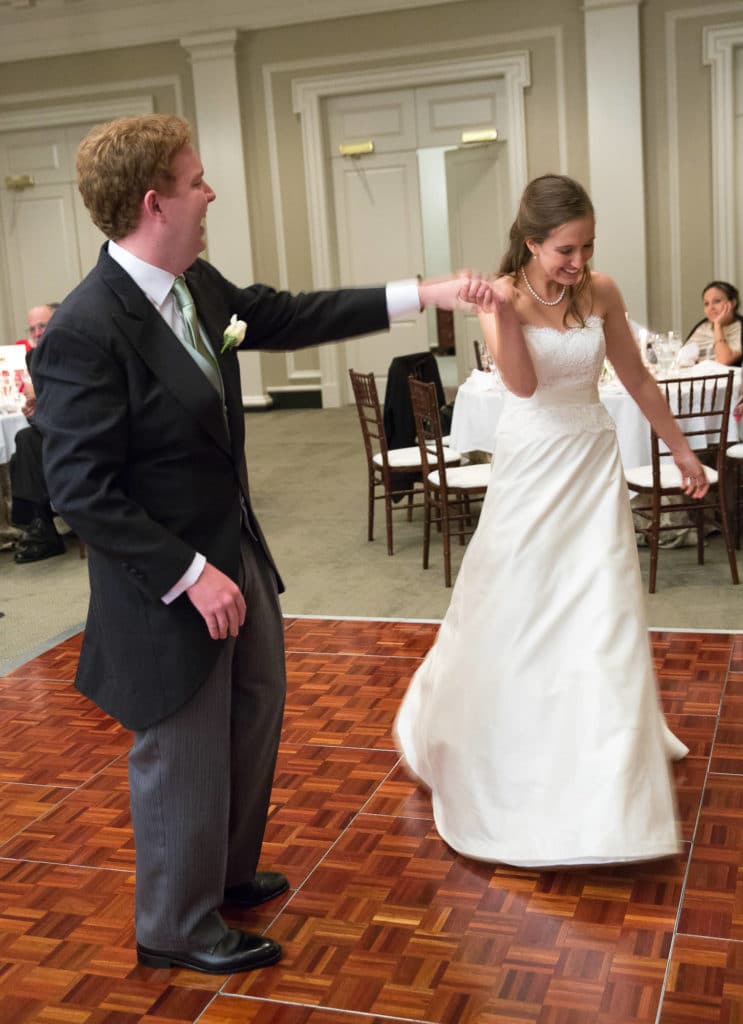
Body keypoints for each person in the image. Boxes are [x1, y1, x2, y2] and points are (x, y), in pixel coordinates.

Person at [31, 113, 486, 975]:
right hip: (168, 579)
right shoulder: (90, 327)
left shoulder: (196, 283)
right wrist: (187, 574)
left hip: (233, 549)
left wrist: (422, 293)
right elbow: (80, 489)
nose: (211, 193)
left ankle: (226, 875)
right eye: (196, 180)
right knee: (183, 749)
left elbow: (286, 313)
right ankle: (174, 924)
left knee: (253, 712)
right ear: (153, 202)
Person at [394, 173, 710, 868]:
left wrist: (681, 449)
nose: (577, 262)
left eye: (586, 246)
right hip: (533, 464)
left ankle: (603, 766)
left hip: (591, 457)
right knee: (522, 602)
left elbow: (635, 377)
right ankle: (509, 744)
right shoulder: (501, 298)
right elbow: (522, 386)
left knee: (598, 604)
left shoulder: (602, 291)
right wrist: (503, 317)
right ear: (532, 242)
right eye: (565, 249)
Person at [9, 302, 65, 563]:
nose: (38, 332)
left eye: (43, 325)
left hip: (82, 426)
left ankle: (39, 527)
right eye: (33, 328)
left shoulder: (76, 349)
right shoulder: (33, 358)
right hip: (53, 424)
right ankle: (40, 525)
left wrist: (40, 399)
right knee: (25, 443)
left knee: (26, 446)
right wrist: (35, 410)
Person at [682, 280, 742, 364]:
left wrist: (718, 325)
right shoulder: (703, 326)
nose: (711, 308)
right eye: (706, 304)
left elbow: (724, 360)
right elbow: (681, 358)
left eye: (717, 301)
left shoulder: (739, 328)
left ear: (732, 303)